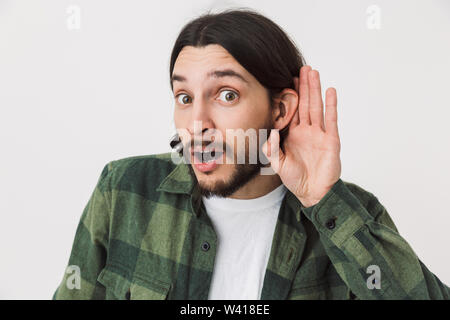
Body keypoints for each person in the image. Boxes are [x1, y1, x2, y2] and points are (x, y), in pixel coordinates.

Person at [53, 8, 449, 300]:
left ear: (280, 110)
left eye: (227, 94)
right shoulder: (122, 191)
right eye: (184, 97)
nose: (196, 123)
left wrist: (322, 200)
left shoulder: (350, 216)